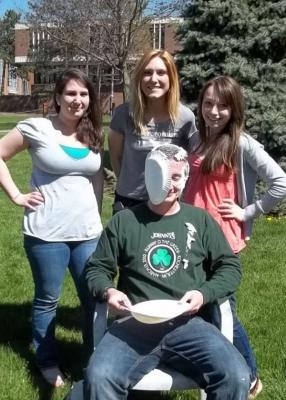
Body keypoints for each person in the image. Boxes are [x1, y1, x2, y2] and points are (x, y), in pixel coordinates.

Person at [84, 143, 250, 400]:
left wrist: (203, 294)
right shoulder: (125, 221)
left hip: (188, 323)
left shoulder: (200, 220)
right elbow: (97, 268)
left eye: (176, 177)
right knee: (99, 376)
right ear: (149, 175)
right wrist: (108, 291)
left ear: (185, 178)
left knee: (235, 374)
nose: (170, 185)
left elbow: (230, 267)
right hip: (134, 324)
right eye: (163, 176)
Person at [183, 75, 286, 398]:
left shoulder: (241, 143)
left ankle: (251, 377)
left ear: (234, 108)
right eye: (209, 103)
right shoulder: (196, 137)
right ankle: (211, 366)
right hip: (191, 238)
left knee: (220, 308)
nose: (214, 111)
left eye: (223, 105)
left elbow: (280, 182)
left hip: (221, 241)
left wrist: (247, 212)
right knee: (200, 308)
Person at [0, 69, 104, 387]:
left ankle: (96, 360)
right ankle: (47, 362)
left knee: (93, 298)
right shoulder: (37, 127)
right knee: (48, 298)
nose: (77, 100)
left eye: (83, 94)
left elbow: (97, 178)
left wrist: (97, 216)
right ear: (58, 97)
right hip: (46, 233)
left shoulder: (91, 132)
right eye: (71, 93)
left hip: (88, 233)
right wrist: (16, 195)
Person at [108, 49, 196, 212]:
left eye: (161, 72)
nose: (153, 79)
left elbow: (190, 161)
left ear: (171, 78)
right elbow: (115, 157)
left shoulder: (185, 117)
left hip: (168, 203)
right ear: (140, 78)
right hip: (129, 202)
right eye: (147, 73)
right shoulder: (124, 114)